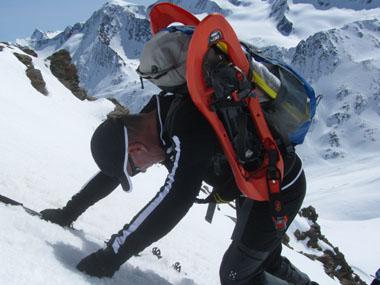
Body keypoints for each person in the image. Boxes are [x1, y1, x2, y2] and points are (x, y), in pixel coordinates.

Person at [41, 28, 317, 285]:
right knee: (261, 259)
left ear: (136, 149)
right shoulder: (156, 112)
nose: (143, 171)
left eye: (135, 169)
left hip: (278, 188)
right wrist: (69, 213)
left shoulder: (186, 126)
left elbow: (176, 199)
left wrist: (110, 258)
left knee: (236, 276)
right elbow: (113, 170)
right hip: (256, 186)